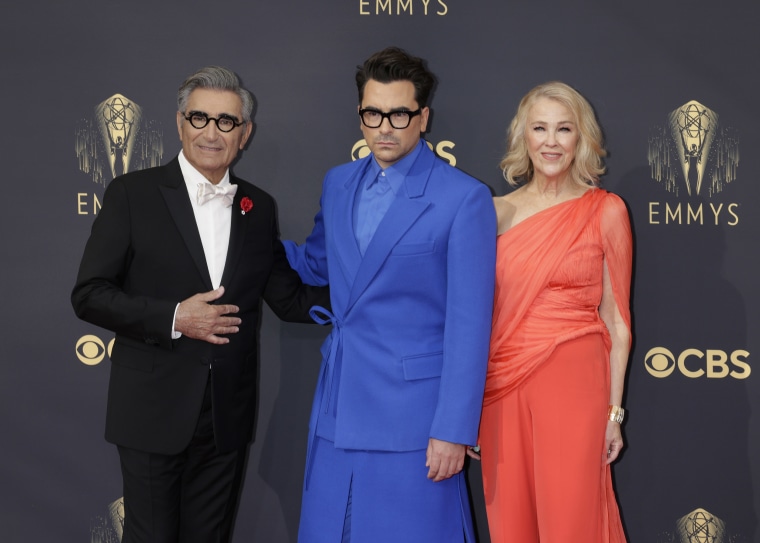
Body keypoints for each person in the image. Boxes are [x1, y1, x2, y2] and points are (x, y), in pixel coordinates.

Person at [71, 66, 329, 543]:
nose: (212, 133)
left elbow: (289, 298)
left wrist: (370, 297)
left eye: (226, 122)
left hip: (225, 415)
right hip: (151, 412)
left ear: (245, 133)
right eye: (200, 118)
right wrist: (174, 317)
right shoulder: (132, 194)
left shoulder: (259, 207)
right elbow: (90, 295)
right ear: (179, 123)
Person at [283, 46, 496, 542]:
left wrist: (454, 430)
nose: (384, 127)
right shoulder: (337, 183)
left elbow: (469, 323)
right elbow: (314, 262)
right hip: (337, 410)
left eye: (398, 114)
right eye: (372, 113)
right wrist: (232, 236)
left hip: (416, 423)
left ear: (423, 117)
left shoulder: (462, 198)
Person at [474, 81, 632, 542]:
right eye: (539, 128)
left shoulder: (606, 212)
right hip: (502, 387)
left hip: (575, 384)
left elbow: (618, 322)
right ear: (523, 136)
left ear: (581, 138)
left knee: (571, 522)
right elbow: (476, 316)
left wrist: (613, 413)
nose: (550, 141)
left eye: (564, 129)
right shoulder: (493, 213)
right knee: (512, 522)